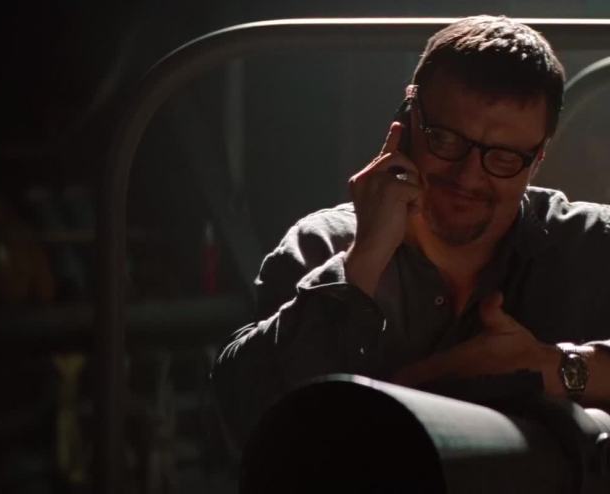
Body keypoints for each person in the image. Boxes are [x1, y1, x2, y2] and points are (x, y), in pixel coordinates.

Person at [212, 15, 610, 445]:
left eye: (503, 157)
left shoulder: (590, 243)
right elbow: (245, 412)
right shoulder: (324, 244)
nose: (468, 177)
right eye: (446, 140)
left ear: (538, 159)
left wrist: (559, 367)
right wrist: (363, 262)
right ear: (405, 124)